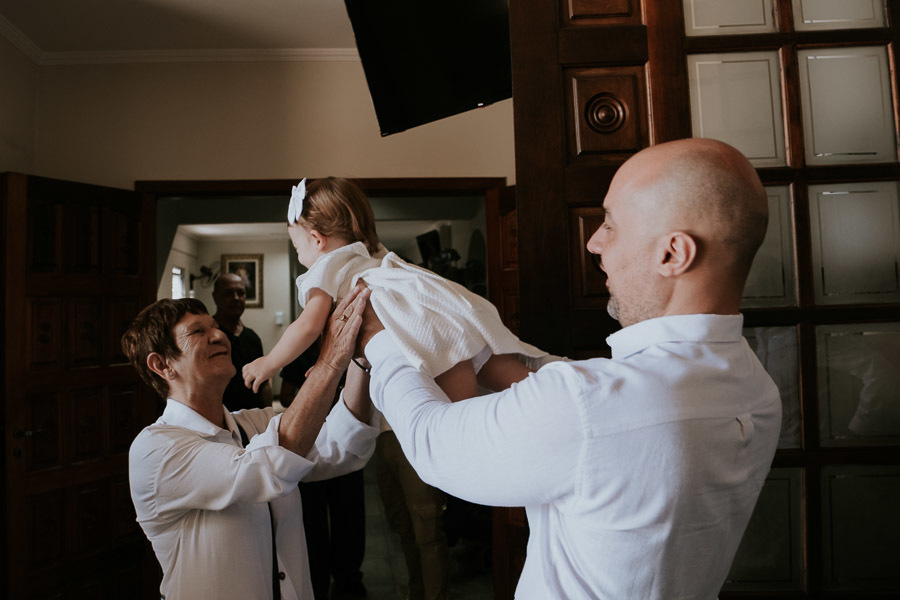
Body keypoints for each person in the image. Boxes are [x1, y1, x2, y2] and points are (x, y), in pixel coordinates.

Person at [357, 138, 783, 599]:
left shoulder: (592, 405)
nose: (594, 242)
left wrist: (380, 340)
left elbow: (433, 442)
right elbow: (602, 405)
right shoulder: (755, 386)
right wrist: (479, 343)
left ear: (672, 254)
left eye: (611, 226)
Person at [123, 286, 379, 600]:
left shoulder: (255, 423)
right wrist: (329, 363)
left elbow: (342, 447)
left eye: (215, 328)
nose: (218, 336)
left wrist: (361, 360)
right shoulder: (156, 449)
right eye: (198, 331)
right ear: (162, 365)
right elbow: (268, 466)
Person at [241, 177, 545, 403]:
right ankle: (562, 394)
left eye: (296, 246)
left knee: (462, 424)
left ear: (317, 239)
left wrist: (269, 363)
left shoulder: (325, 267)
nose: (299, 254)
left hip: (424, 334)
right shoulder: (367, 255)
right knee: (527, 387)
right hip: (446, 314)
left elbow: (309, 325)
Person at [279, 347, 368, 600]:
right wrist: (317, 393)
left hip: (345, 443)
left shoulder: (354, 352)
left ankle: (348, 579)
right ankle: (318, 581)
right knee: (312, 520)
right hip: (308, 445)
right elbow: (286, 396)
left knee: (349, 516)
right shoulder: (302, 353)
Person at [212, 272, 272, 411]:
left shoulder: (252, 338)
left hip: (253, 419)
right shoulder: (209, 337)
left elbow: (263, 383)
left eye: (241, 293)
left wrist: (268, 416)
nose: (236, 298)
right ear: (215, 297)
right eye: (228, 293)